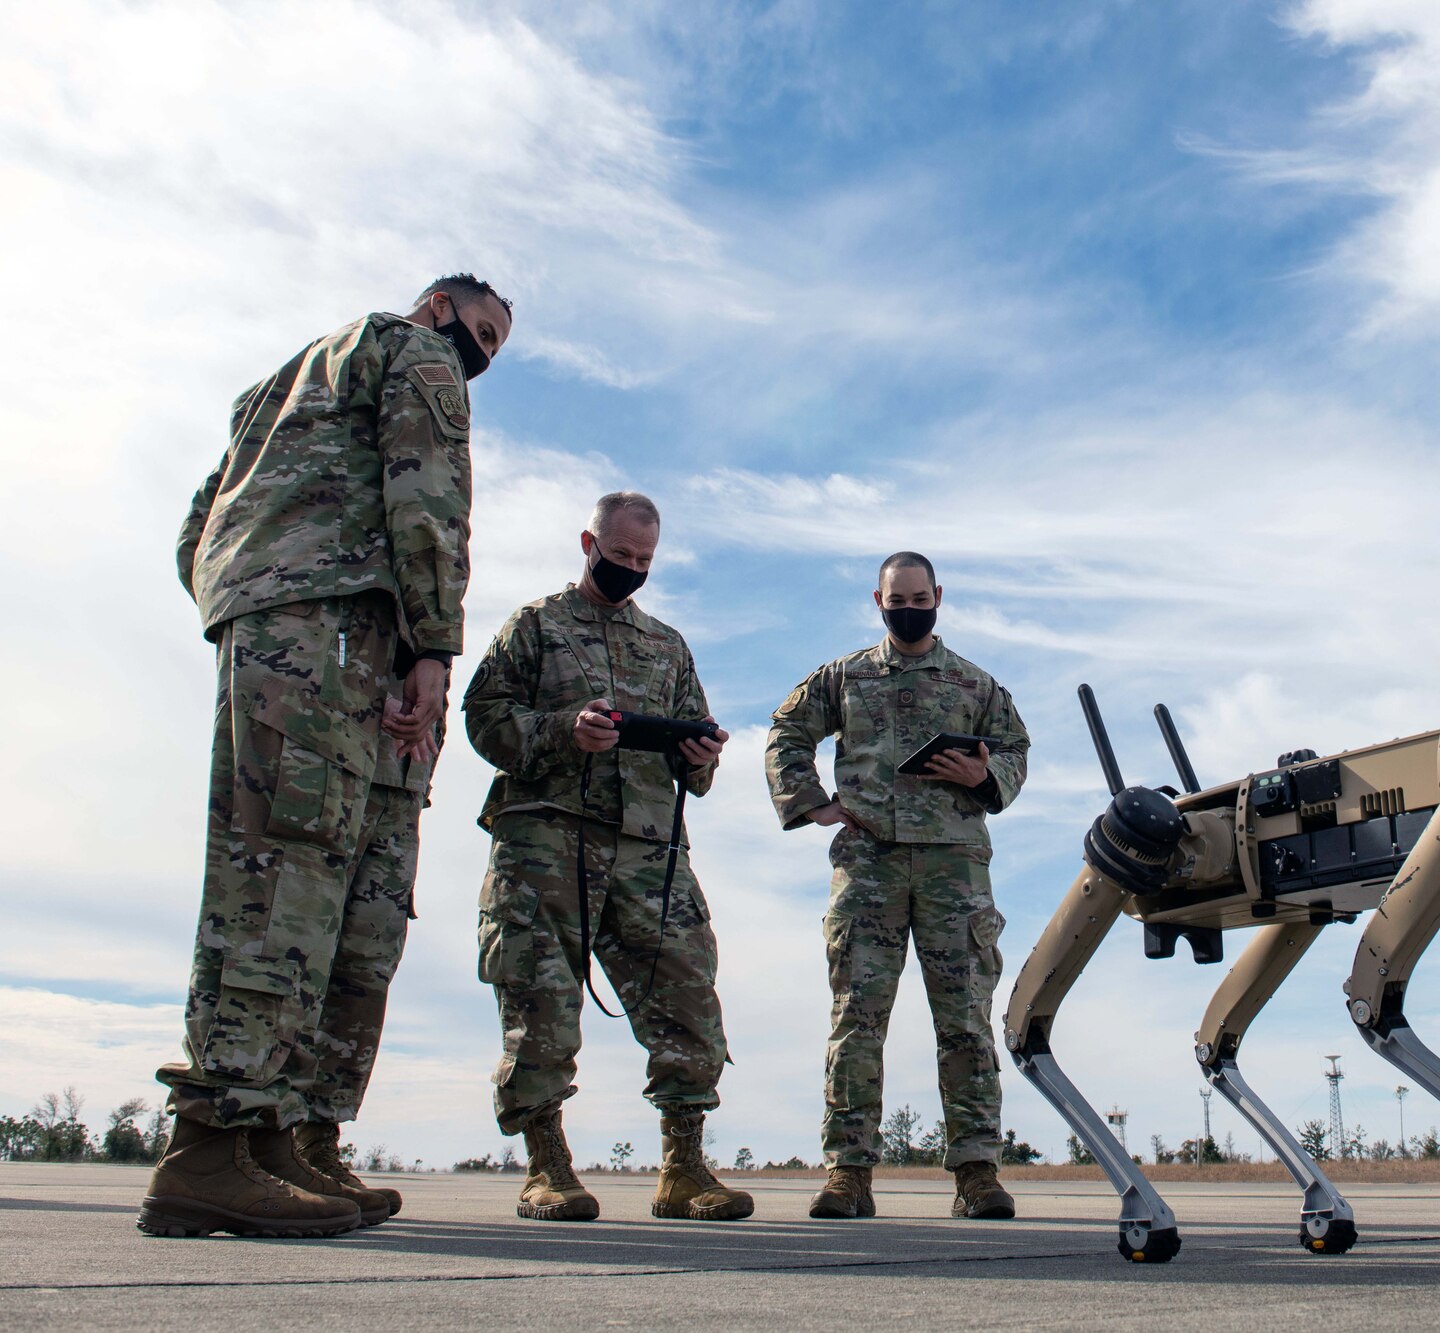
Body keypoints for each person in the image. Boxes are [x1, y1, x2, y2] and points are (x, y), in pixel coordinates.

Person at [144, 274, 512, 1238]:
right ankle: (214, 1141)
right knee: (285, 874)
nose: (479, 358)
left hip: (315, 627)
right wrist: (433, 642)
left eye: (493, 348)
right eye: (479, 333)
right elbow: (428, 502)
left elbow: (202, 526)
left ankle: (280, 1136)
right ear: (437, 306)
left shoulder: (278, 389)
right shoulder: (414, 352)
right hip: (331, 627)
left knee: (333, 880)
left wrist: (246, 603)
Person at [461, 492, 752, 1224]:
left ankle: (683, 1170)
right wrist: (565, 730)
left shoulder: (668, 645)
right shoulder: (535, 627)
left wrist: (700, 755)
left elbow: (700, 766)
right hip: (546, 843)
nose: (632, 569)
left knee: (688, 995)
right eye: (621, 555)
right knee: (539, 1002)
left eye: (645, 560)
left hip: (649, 851)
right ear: (588, 541)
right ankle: (547, 1168)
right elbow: (484, 717)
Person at [764, 552, 1031, 1221]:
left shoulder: (975, 684)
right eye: (897, 599)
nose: (909, 608)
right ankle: (848, 1173)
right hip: (869, 865)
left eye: (920, 597)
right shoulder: (845, 677)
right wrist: (811, 801)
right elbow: (785, 731)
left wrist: (984, 776)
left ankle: (976, 1172)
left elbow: (1015, 748)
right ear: (878, 600)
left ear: (938, 595)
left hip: (955, 871)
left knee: (966, 1023)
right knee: (856, 1021)